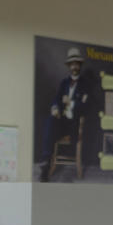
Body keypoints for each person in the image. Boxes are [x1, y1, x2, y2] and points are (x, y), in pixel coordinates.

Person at [39, 47, 92, 181]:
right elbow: (56, 99)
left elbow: (86, 107)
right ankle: (46, 163)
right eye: (72, 64)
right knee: (50, 120)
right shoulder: (64, 82)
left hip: (74, 125)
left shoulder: (86, 84)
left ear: (80, 65)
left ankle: (48, 163)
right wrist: (55, 107)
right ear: (69, 66)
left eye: (76, 63)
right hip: (62, 122)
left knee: (54, 124)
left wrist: (71, 103)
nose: (74, 66)